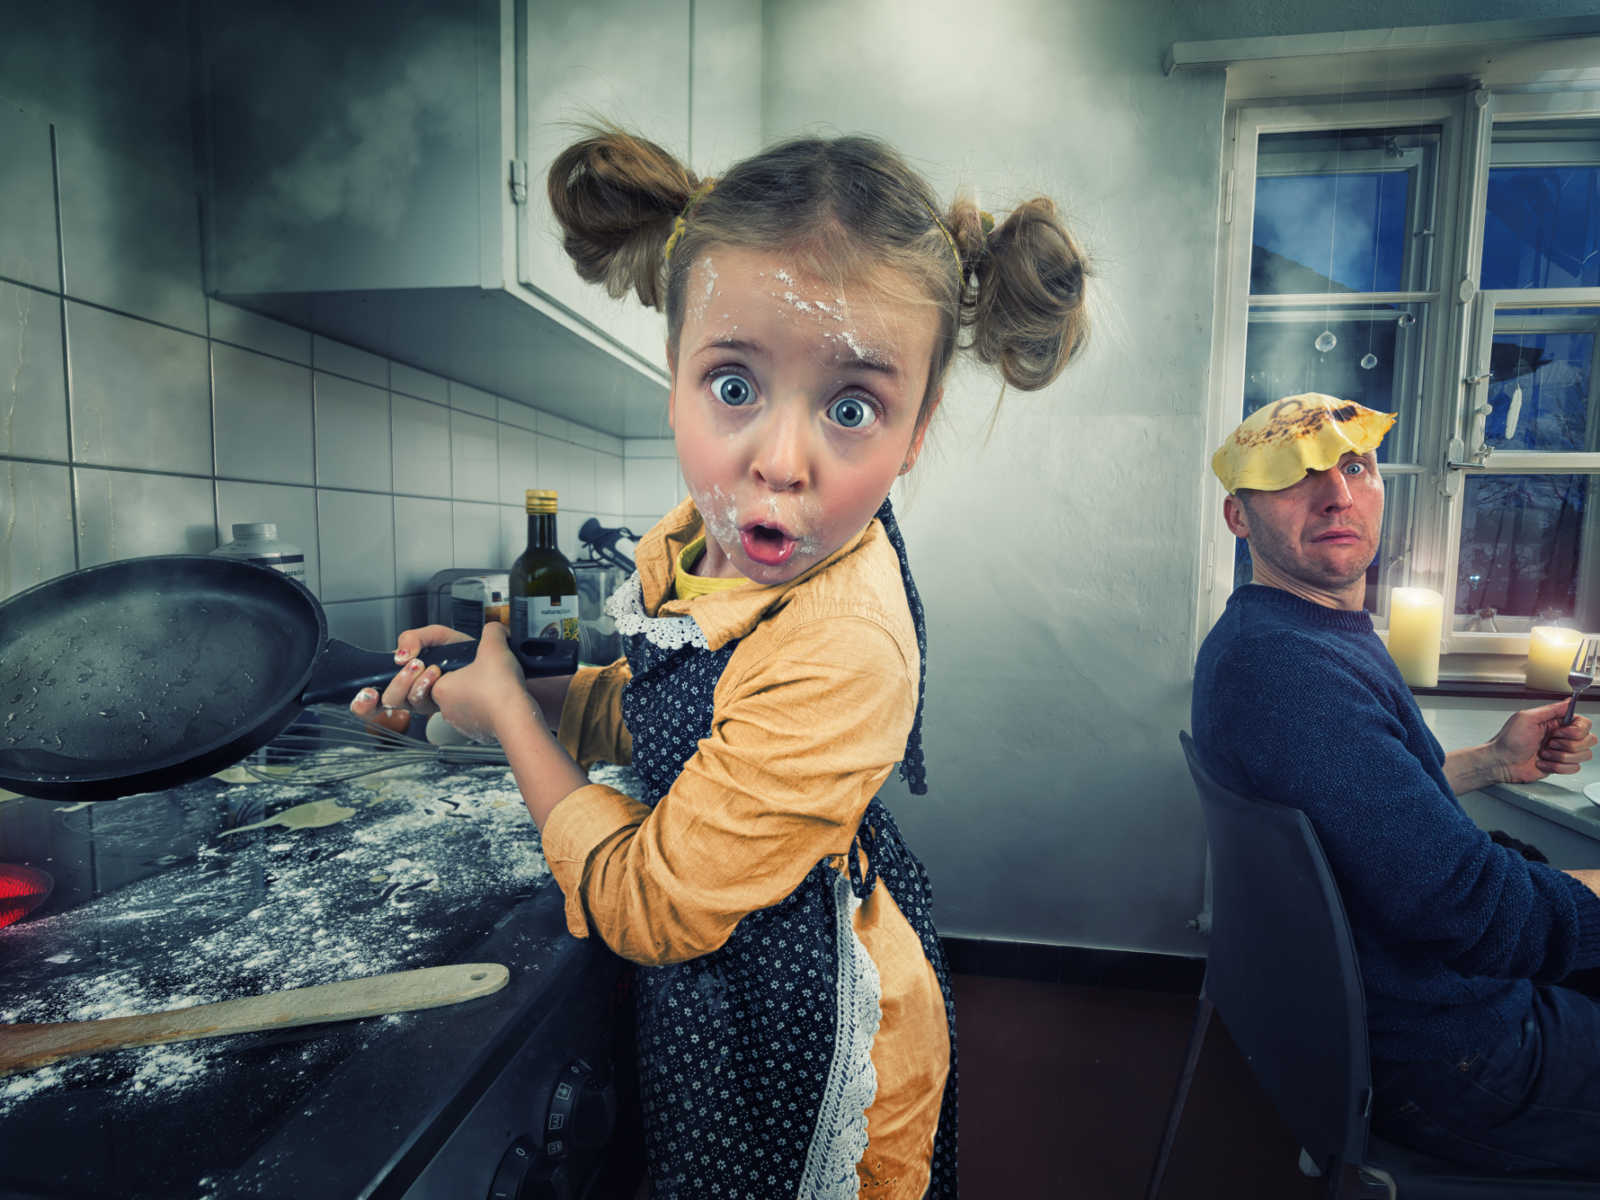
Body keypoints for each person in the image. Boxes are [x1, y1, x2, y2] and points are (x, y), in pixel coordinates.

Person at [352, 127, 1090, 1198]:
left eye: (851, 408)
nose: (776, 462)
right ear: (673, 376)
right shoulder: (708, 544)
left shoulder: (844, 641)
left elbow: (650, 906)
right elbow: (672, 711)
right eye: (733, 387)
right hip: (721, 977)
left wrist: (512, 719)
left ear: (919, 427)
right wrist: (508, 685)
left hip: (786, 1027)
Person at [1192, 392, 1600, 1174]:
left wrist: (1491, 762)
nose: (1337, 493)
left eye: (1355, 466)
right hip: (1455, 1055)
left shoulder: (1288, 633)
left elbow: (1355, 814)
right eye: (1293, 472)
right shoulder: (1289, 671)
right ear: (1238, 517)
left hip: (1428, 1008)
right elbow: (1467, 910)